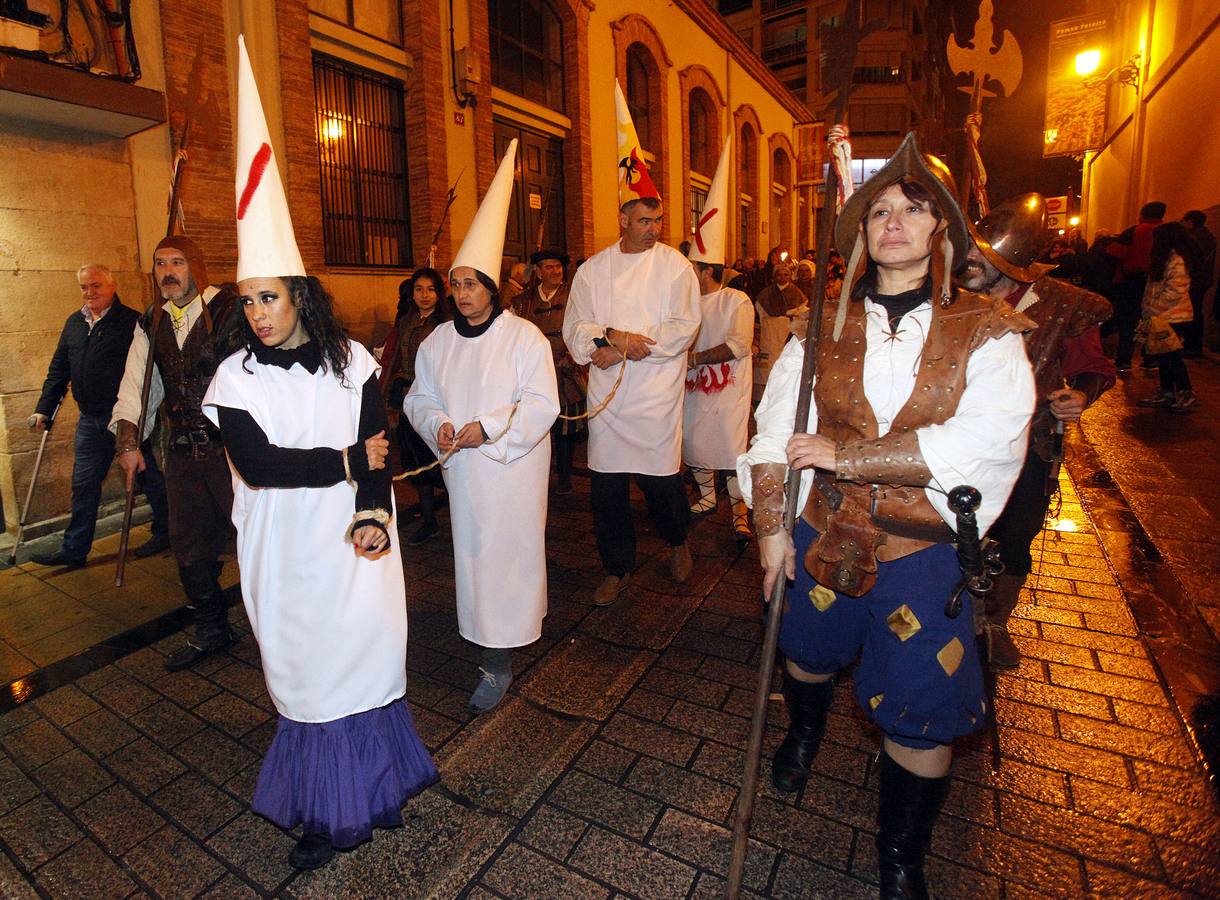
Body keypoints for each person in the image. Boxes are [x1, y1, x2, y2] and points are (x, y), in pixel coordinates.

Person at [739, 134, 1034, 899]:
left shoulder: (989, 330)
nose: (893, 220)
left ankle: (901, 856)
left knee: (922, 713)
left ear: (942, 233)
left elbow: (985, 440)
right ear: (861, 233)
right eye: (879, 210)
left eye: (913, 208)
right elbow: (776, 429)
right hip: (822, 536)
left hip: (924, 553)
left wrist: (850, 457)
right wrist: (771, 528)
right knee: (806, 653)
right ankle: (805, 729)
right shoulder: (817, 327)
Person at [200, 39, 436, 869]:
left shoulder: (356, 362)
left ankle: (368, 791)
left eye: (268, 297)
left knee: (364, 664)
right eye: (247, 300)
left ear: (297, 294)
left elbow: (378, 451)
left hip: (354, 544)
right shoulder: (234, 378)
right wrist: (344, 461)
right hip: (285, 551)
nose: (257, 313)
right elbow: (261, 465)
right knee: (308, 679)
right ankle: (324, 806)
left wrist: (373, 508)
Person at [405, 140, 560, 713]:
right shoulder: (437, 341)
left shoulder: (525, 338)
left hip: (511, 470)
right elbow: (418, 397)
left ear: (492, 288)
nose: (462, 292)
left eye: (472, 283)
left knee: (508, 560)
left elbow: (542, 403)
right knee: (472, 559)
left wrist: (488, 427)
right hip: (463, 473)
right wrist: (442, 425)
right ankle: (486, 650)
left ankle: (498, 662)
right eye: (457, 283)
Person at [960, 193, 1116, 668]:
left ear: (1017, 265)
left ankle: (994, 623)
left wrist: (1081, 395)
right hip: (956, 439)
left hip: (1027, 444)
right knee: (947, 533)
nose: (968, 260)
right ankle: (946, 619)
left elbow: (1093, 365)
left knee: (1014, 537)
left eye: (982, 256)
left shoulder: (1063, 306)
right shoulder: (949, 297)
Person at [562, 103, 701, 607]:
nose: (654, 227)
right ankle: (616, 567)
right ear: (623, 218)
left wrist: (620, 347)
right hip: (607, 403)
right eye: (645, 219)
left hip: (656, 399)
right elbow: (576, 328)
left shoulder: (675, 267)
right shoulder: (593, 270)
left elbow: (681, 329)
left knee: (662, 485)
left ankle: (677, 540)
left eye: (659, 219)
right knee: (607, 491)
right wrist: (612, 338)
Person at [111, 234, 237, 672]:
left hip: (234, 450)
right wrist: (128, 442)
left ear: (196, 267)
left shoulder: (230, 310)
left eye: (178, 262)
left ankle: (285, 629)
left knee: (261, 538)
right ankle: (212, 630)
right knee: (188, 543)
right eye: (161, 263)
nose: (168, 271)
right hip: (183, 450)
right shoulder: (151, 322)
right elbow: (137, 387)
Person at [28, 265, 169, 568]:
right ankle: (74, 550)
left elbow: (146, 370)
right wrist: (44, 408)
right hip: (90, 419)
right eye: (84, 287)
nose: (89, 293)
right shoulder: (74, 323)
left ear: (111, 286)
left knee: (146, 475)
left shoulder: (131, 322)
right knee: (84, 483)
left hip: (124, 418)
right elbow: (59, 369)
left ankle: (164, 531)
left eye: (95, 286)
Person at [682, 139, 753, 540]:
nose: (689, 272)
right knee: (693, 442)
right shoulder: (687, 303)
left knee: (730, 447)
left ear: (707, 269)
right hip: (694, 390)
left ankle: (740, 510)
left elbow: (738, 344)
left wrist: (695, 360)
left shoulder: (735, 299)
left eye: (694, 267)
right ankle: (707, 497)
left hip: (725, 390)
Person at [377, 269, 450, 543]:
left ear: (439, 293)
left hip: (437, 401)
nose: (424, 295)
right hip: (409, 399)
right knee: (414, 460)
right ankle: (430, 520)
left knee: (441, 461)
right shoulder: (405, 321)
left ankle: (465, 516)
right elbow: (394, 358)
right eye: (419, 289)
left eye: (430, 289)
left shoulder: (447, 325)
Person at [513, 248, 586, 494]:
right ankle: (537, 475)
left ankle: (564, 476)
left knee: (565, 431)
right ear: (538, 271)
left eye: (558, 266)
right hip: (534, 375)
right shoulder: (523, 301)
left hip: (567, 373)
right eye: (549, 267)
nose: (555, 271)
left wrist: (572, 356)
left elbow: (584, 329)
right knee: (537, 428)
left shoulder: (575, 296)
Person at [1137, 222, 1197, 412]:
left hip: (1172, 316)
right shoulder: (1165, 258)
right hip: (1162, 315)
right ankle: (1167, 391)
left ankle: (1185, 393)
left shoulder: (1176, 260)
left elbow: (1175, 290)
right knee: (1163, 356)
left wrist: (1154, 309)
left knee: (1172, 356)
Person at [1108, 201, 1165, 372]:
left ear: (1142, 215)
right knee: (1153, 321)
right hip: (1157, 284)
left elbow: (1114, 252)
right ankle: (1151, 359)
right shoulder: (1168, 232)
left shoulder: (1133, 232)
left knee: (1128, 323)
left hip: (1130, 283)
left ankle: (1124, 360)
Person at [753, 260, 807, 402]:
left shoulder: (796, 293)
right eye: (779, 275)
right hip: (770, 332)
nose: (782, 278)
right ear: (774, 276)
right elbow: (761, 312)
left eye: (785, 274)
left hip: (788, 332)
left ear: (790, 276)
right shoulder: (766, 294)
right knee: (769, 365)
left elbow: (801, 312)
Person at [1181, 211, 1216, 355]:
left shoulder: (1195, 237)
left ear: (1191, 221)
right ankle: (1192, 344)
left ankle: (1192, 346)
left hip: (1195, 280)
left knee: (1192, 312)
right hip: (1202, 280)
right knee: (1195, 311)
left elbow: (1192, 259)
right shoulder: (1207, 235)